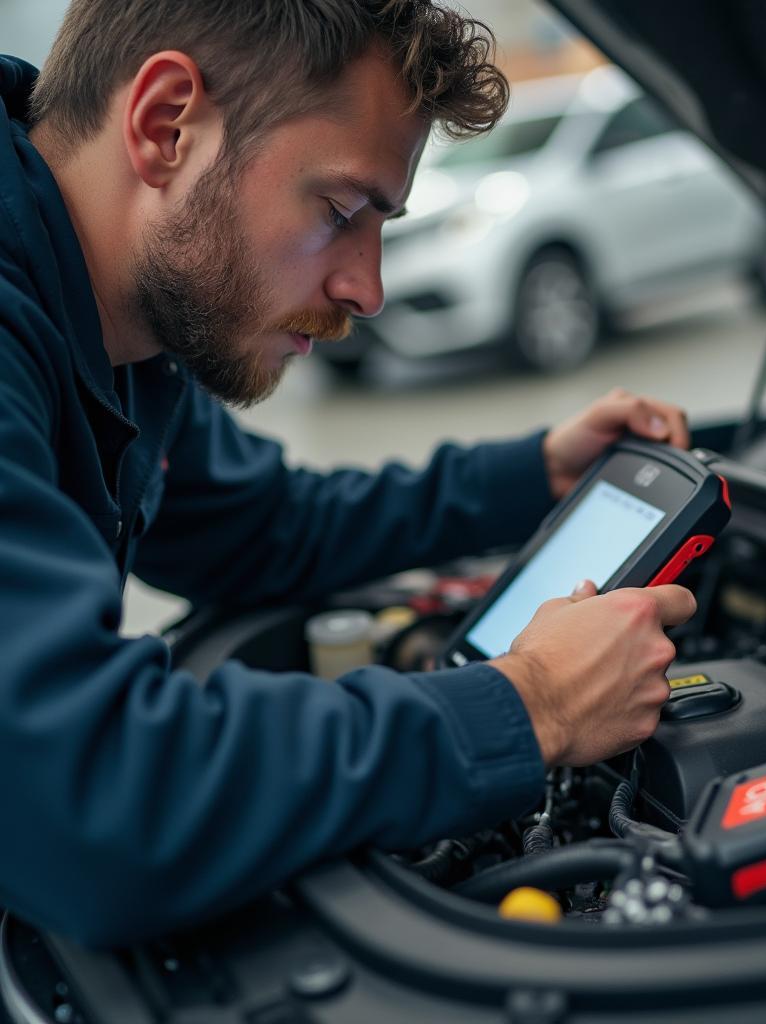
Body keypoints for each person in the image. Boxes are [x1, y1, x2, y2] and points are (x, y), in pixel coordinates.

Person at [0, 0, 695, 947]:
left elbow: (267, 529)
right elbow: (93, 804)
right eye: (339, 212)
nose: (367, 288)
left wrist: (531, 474)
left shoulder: (130, 323)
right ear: (166, 124)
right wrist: (530, 706)